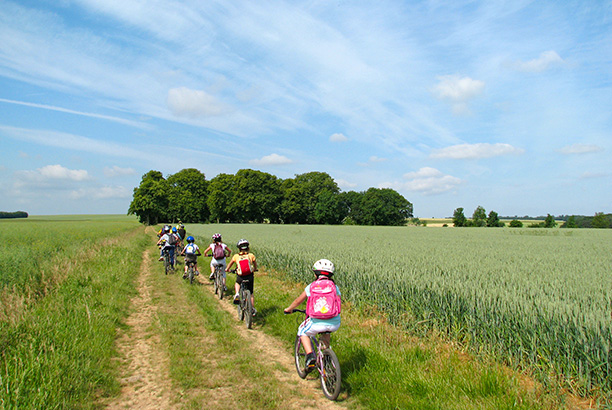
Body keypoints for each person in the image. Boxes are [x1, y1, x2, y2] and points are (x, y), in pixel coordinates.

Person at [284, 259, 341, 371]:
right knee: (326, 332)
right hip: (334, 322)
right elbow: (338, 303)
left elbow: (297, 301)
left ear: (315, 274)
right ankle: (326, 358)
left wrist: (289, 309)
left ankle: (310, 356)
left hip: (316, 322)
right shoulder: (335, 287)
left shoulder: (312, 286)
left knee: (302, 331)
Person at [226, 239, 258, 316]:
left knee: (237, 283)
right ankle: (252, 308)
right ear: (248, 248)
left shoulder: (236, 256)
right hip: (249, 276)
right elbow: (255, 265)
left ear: (239, 248)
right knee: (251, 294)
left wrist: (227, 269)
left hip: (241, 276)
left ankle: (237, 293)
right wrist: (255, 269)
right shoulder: (251, 255)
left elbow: (230, 264)